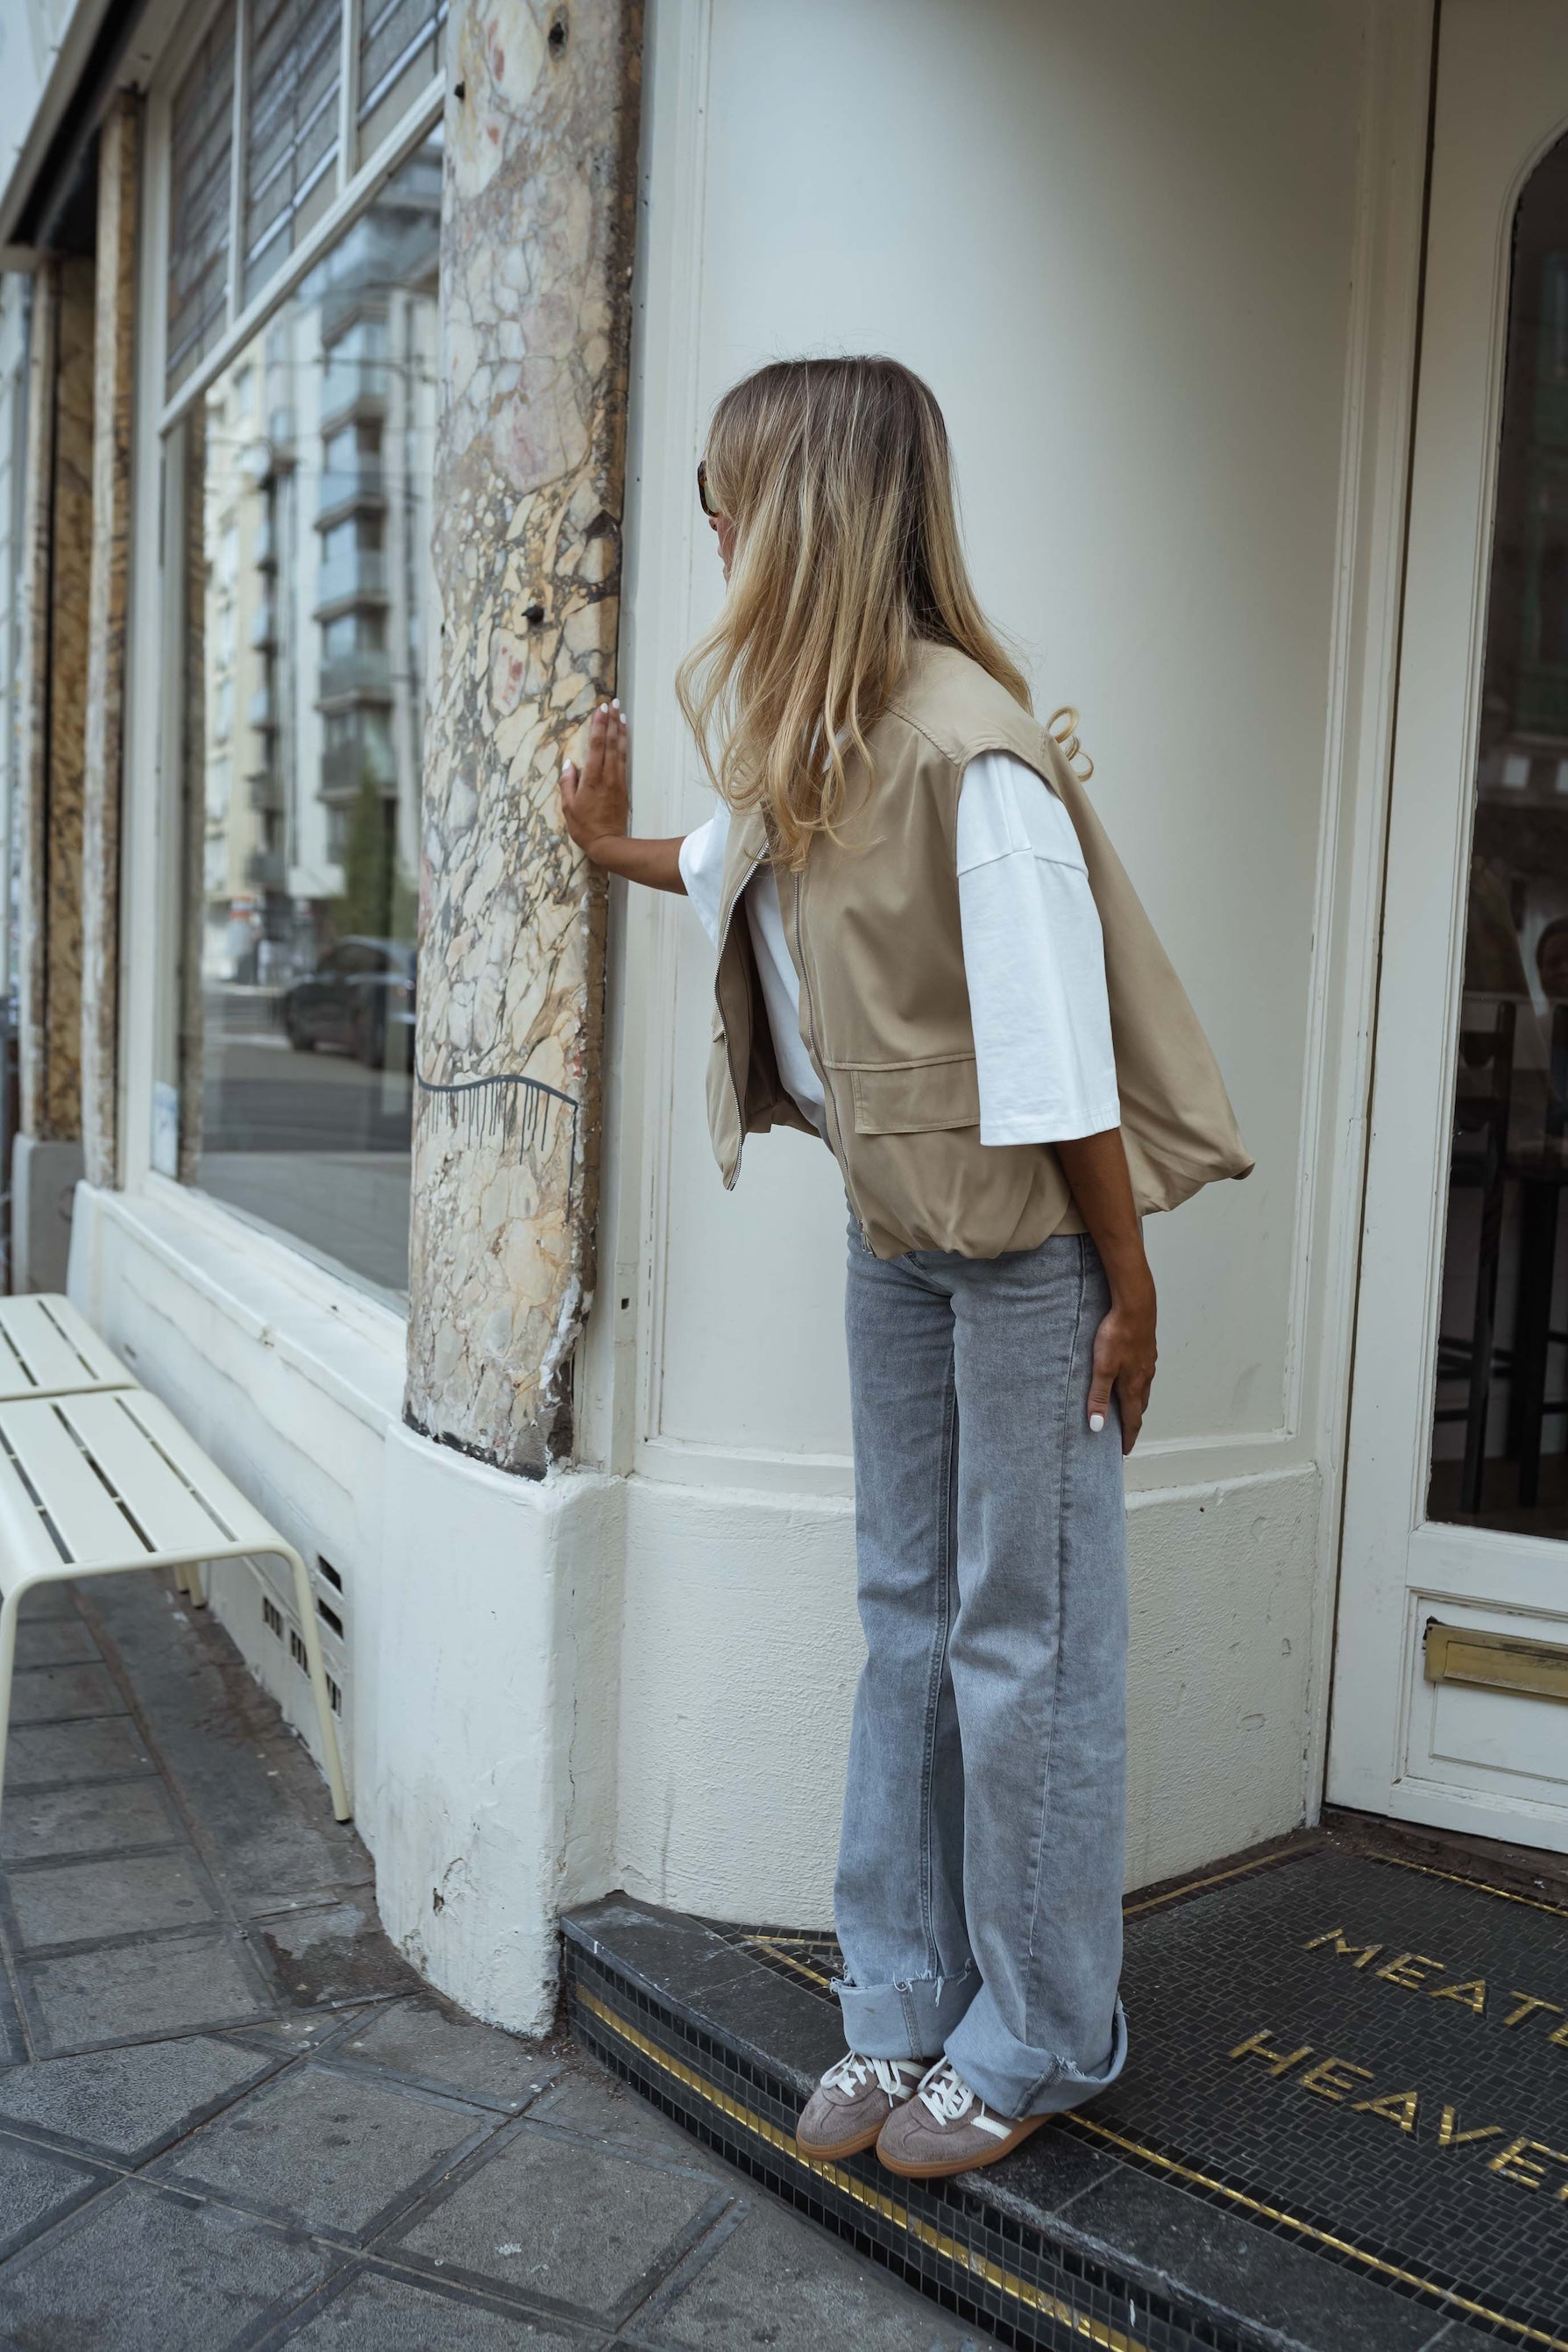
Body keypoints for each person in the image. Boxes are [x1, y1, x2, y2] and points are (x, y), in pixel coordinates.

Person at [561, 357, 1250, 2183]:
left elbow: (1059, 1061)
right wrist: (599, 842)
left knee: (1026, 1644)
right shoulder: (811, 738)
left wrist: (1130, 1293)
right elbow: (721, 865)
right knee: (907, 1624)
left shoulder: (968, 752)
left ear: (801, 514)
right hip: (896, 1247)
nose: (714, 532)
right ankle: (903, 1996)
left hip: (1030, 1264)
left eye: (727, 501)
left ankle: (1040, 2032)